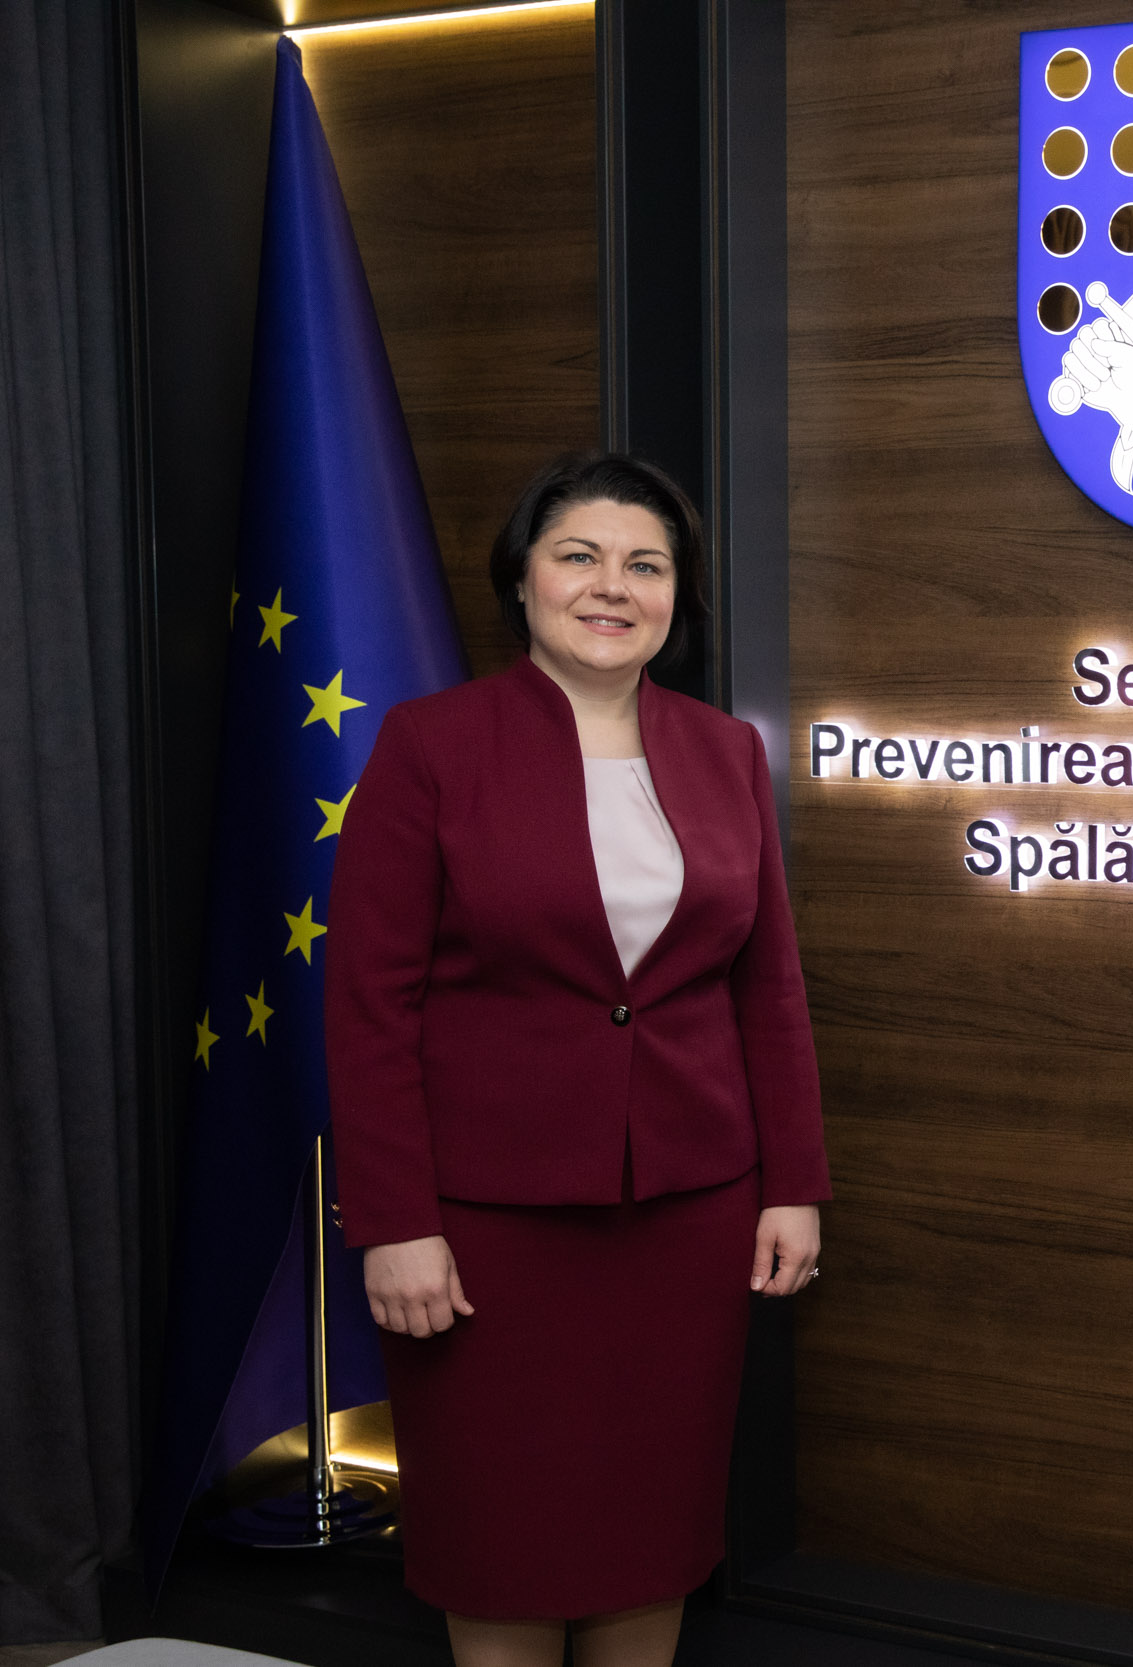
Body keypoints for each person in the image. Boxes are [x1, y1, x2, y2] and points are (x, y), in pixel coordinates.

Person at [325, 453, 831, 1667]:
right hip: (482, 1231)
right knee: (500, 1535)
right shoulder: (431, 743)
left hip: (687, 1218)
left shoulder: (723, 751)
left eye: (646, 565)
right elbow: (369, 1001)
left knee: (649, 1530)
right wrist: (394, 1219)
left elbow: (766, 986)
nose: (613, 585)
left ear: (677, 598)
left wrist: (794, 1183)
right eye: (579, 556)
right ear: (522, 579)